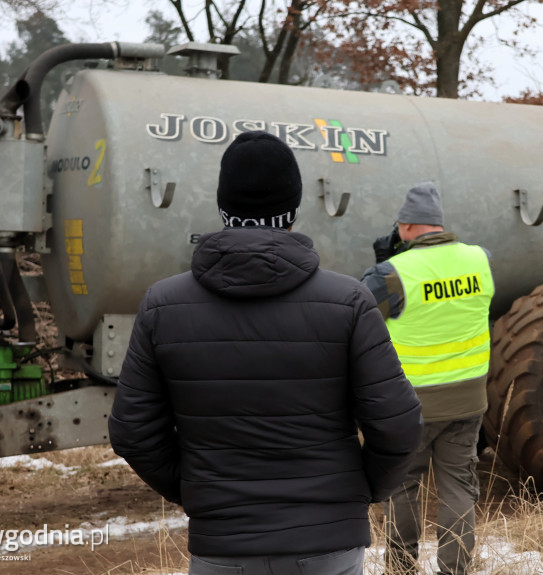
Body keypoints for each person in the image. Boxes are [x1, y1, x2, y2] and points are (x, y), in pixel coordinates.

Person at [109, 131, 423, 575]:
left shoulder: (163, 305)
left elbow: (131, 431)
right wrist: (359, 491)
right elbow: (399, 424)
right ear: (294, 209)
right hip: (328, 543)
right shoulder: (348, 302)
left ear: (222, 208)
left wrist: (197, 489)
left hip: (222, 545)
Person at [361, 182, 494, 575]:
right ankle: (455, 570)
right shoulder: (480, 259)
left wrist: (384, 264)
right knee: (458, 487)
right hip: (468, 400)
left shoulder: (392, 274)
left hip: (411, 404)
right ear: (437, 223)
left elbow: (363, 315)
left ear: (404, 227)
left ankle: (401, 568)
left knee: (403, 487)